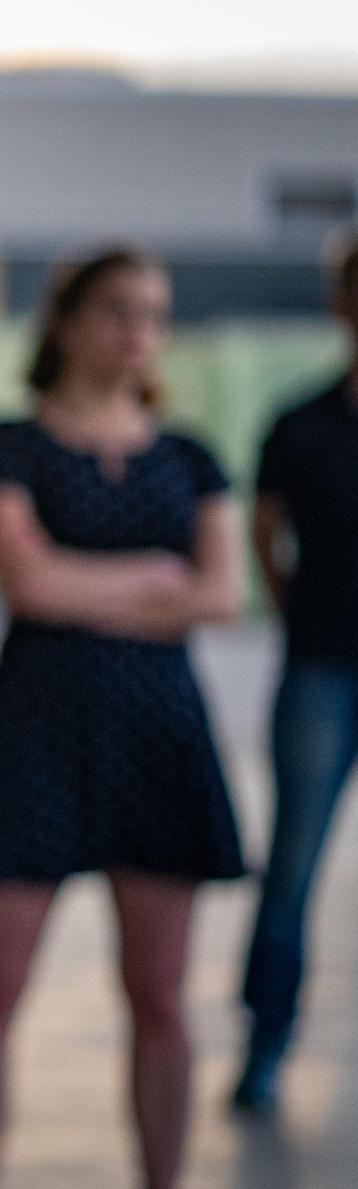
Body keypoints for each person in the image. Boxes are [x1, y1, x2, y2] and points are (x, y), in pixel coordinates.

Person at [0, 245, 243, 1189]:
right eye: (117, 310)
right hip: (35, 736)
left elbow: (221, 595)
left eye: (155, 315)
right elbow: (25, 581)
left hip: (159, 738)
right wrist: (148, 582)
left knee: (160, 1001)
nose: (139, 333)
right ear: (64, 320)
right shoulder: (5, 444)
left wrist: (85, 587)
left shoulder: (193, 459)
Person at [232, 228, 358, 1115]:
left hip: (318, 663)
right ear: (342, 305)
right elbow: (262, 531)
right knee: (293, 866)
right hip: (319, 665)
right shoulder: (301, 422)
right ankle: (264, 1045)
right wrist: (294, 607)